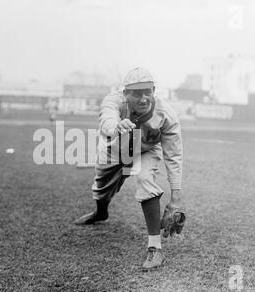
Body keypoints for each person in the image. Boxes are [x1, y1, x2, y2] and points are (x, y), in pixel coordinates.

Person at [74, 67, 186, 271]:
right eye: (136, 93)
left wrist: (176, 199)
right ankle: (101, 213)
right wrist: (115, 126)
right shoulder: (113, 100)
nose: (143, 99)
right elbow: (106, 118)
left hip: (145, 151)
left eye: (147, 92)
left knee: (145, 180)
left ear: (154, 91)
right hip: (114, 149)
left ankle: (155, 248)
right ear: (125, 94)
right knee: (101, 187)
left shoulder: (166, 114)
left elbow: (174, 156)